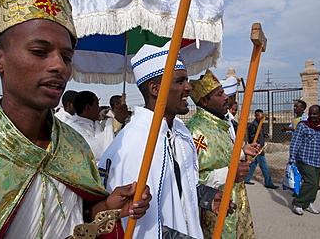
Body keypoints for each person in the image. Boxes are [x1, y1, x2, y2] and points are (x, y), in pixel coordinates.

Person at [0, 0, 151, 238]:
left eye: (67, 57)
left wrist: (106, 208)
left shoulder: (75, 145)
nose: (59, 66)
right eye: (40, 51)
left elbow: (77, 215)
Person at [99, 42, 236, 239]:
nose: (188, 87)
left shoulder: (179, 131)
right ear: (155, 88)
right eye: (180, 81)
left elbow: (177, 187)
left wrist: (205, 196)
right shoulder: (136, 142)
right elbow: (135, 225)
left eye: (186, 80)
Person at [186, 70, 259, 239]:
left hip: (236, 202)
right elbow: (190, 181)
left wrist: (241, 152)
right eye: (220, 94)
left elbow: (221, 158)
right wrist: (230, 173)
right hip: (216, 210)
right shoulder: (195, 131)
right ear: (204, 100)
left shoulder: (220, 124)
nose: (226, 97)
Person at [290, 105, 320, 215]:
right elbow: (295, 142)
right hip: (305, 159)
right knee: (311, 182)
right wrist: (292, 158)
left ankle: (308, 203)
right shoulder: (303, 126)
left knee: (315, 184)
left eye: (315, 114)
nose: (312, 116)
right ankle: (298, 203)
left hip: (317, 161)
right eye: (311, 113)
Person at [66, 91, 115, 163]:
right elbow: (97, 152)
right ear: (88, 107)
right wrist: (109, 125)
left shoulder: (95, 124)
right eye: (97, 105)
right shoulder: (74, 127)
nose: (99, 109)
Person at [245, 109, 279, 189]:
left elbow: (258, 135)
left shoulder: (259, 124)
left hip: (257, 148)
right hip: (256, 149)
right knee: (264, 166)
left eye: (261, 115)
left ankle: (246, 179)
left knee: (252, 165)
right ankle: (268, 182)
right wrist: (259, 149)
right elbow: (253, 138)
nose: (259, 117)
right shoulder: (254, 125)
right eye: (258, 115)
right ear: (255, 116)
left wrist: (263, 135)